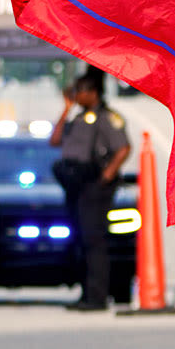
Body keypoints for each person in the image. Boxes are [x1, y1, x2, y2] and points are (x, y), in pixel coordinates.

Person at [49, 71, 131, 311]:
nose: (75, 94)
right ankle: (86, 293)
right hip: (76, 186)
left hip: (95, 186)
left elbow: (124, 148)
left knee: (94, 240)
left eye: (79, 90)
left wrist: (105, 177)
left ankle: (97, 296)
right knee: (81, 239)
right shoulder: (77, 118)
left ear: (93, 92)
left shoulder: (108, 118)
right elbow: (54, 140)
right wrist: (66, 108)